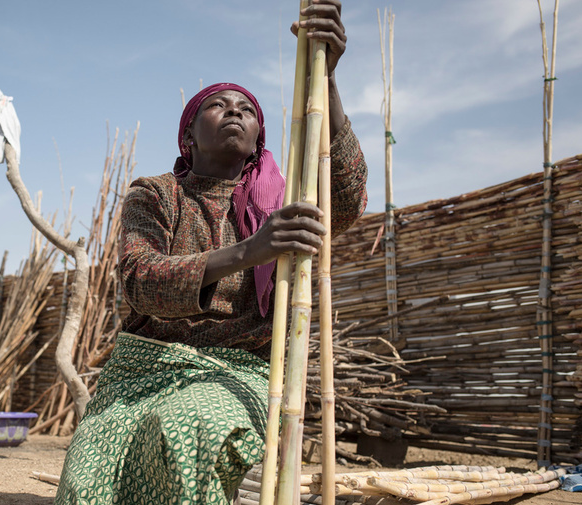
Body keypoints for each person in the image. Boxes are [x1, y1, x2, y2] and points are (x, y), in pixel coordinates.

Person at [55, 1, 367, 503]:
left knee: (188, 425)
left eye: (246, 109)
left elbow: (347, 200)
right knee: (90, 472)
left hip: (245, 373)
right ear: (188, 134)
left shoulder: (286, 201)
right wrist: (253, 249)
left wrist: (325, 79)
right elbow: (140, 279)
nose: (235, 112)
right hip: (145, 368)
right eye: (218, 105)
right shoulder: (156, 194)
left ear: (257, 141)